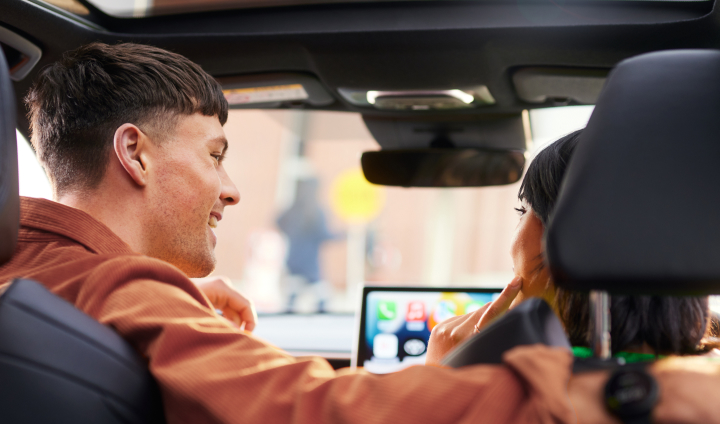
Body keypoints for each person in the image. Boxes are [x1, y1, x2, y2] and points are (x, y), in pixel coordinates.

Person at [1, 42, 719, 424]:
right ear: (134, 154)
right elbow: (310, 411)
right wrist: (635, 394)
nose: (232, 189)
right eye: (216, 155)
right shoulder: (119, 287)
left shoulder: (32, 278)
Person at [427, 129, 719, 365]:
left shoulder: (516, 391)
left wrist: (448, 375)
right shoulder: (706, 374)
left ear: (562, 241)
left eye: (522, 211)